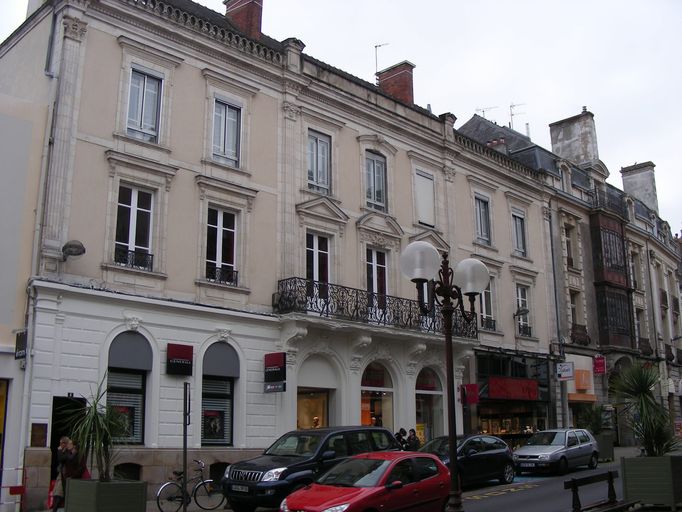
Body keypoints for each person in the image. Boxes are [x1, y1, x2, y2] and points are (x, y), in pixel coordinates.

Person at [51, 436, 70, 512]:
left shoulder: (68, 451)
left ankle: (55, 510)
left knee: (60, 493)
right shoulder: (64, 451)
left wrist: (59, 450)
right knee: (56, 492)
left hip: (65, 475)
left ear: (65, 443)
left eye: (61, 443)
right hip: (61, 474)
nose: (60, 445)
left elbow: (61, 458)